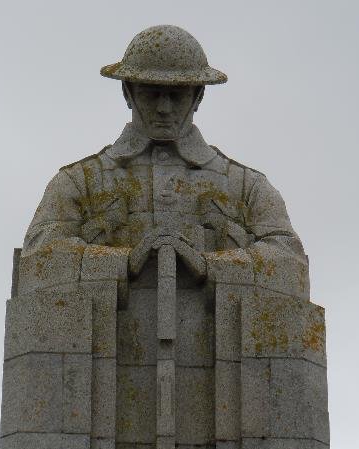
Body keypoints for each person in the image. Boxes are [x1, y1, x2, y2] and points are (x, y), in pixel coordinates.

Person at [22, 25, 308, 294]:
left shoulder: (247, 186)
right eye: (150, 93)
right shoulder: (78, 182)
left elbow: (289, 264)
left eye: (176, 94)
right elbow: (39, 258)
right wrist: (125, 262)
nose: (163, 107)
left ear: (198, 96)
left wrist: (211, 267)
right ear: (128, 93)